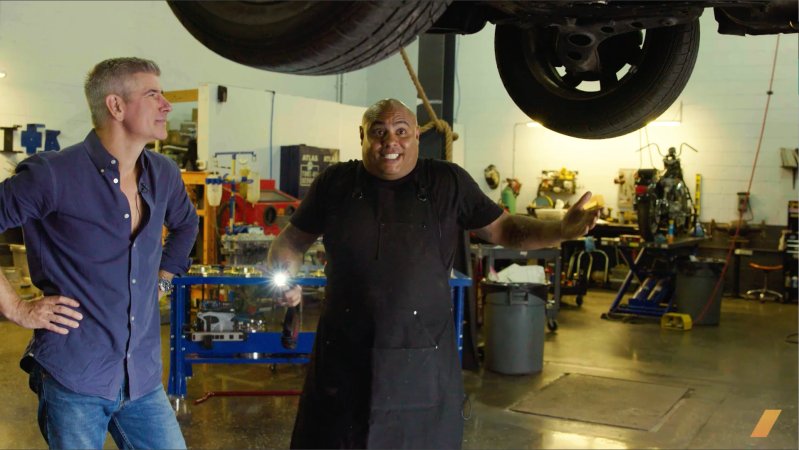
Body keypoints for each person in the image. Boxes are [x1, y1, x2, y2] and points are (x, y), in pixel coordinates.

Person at [266, 98, 599, 449]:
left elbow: (506, 229)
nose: (390, 141)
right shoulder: (334, 183)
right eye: (379, 132)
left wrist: (560, 230)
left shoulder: (447, 182)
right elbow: (291, 241)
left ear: (416, 136)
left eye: (401, 131)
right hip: (343, 362)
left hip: (423, 367)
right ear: (362, 136)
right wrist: (284, 276)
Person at [0, 57, 198, 449]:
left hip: (142, 379)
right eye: (153, 94)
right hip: (75, 376)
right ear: (116, 106)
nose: (166, 105)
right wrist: (16, 308)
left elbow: (186, 224)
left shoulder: (163, 173)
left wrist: (163, 279)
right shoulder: (53, 174)